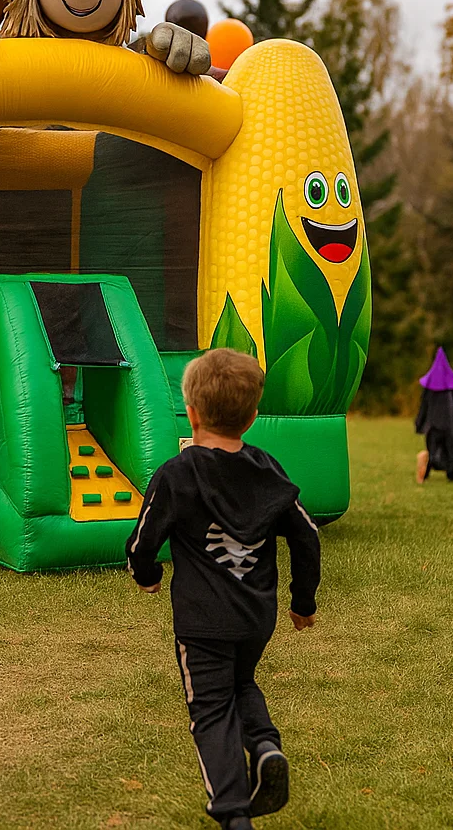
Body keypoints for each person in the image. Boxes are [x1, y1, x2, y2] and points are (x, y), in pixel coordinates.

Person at [125, 349, 321, 830]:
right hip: (256, 617)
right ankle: (267, 746)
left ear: (190, 412)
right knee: (240, 682)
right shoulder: (267, 469)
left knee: (210, 710)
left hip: (203, 622)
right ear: (252, 417)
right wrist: (302, 599)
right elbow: (307, 534)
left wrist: (146, 575)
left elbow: (141, 542)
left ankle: (233, 814)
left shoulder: (177, 474)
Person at [415, 347, 453, 483]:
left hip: (433, 426)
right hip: (449, 426)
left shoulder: (428, 391)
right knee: (451, 450)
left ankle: (427, 472)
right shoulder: (452, 392)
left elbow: (423, 408)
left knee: (433, 451)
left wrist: (419, 424)